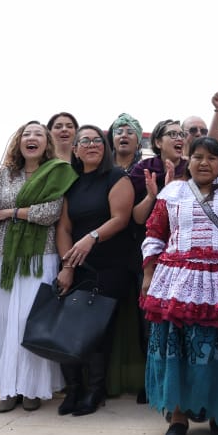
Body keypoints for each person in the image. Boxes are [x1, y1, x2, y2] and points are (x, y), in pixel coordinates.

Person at [141, 137, 218, 435]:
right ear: (188, 161)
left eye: (211, 157)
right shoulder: (173, 192)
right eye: (198, 157)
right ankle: (178, 417)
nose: (204, 163)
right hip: (177, 280)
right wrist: (148, 273)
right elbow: (155, 233)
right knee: (177, 347)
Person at [0, 121, 75, 412]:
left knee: (29, 322)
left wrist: (10, 212)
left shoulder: (57, 173)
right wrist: (5, 214)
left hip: (39, 257)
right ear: (18, 142)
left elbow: (49, 213)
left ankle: (32, 388)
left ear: (46, 143)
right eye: (27, 134)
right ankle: (7, 389)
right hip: (2, 258)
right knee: (2, 322)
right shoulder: (2, 176)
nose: (32, 138)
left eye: (38, 134)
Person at [57, 124, 136, 413]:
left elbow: (120, 218)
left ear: (105, 148)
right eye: (85, 141)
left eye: (97, 141)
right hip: (76, 265)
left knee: (96, 332)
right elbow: (64, 227)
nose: (92, 145)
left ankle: (95, 390)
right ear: (75, 149)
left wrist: (91, 238)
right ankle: (73, 388)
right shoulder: (72, 182)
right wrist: (67, 265)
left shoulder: (116, 177)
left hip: (109, 265)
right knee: (67, 329)